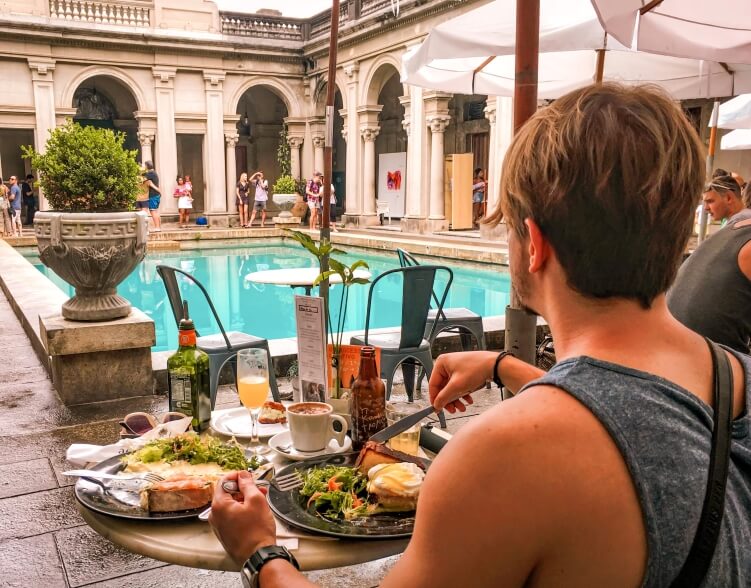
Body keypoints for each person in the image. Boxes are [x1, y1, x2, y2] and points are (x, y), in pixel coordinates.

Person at [209, 83, 751, 587]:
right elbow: (642, 418)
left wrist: (261, 552)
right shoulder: (733, 374)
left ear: (533, 244)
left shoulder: (508, 455)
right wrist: (502, 366)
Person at [668, 175, 751, 353]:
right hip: (708, 362)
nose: (705, 208)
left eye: (710, 201)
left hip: (673, 346)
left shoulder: (731, 231)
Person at [143, 161, 162, 232]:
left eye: (145, 165)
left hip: (153, 195)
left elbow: (142, 179)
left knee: (153, 211)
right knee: (156, 211)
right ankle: (159, 227)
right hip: (156, 194)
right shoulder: (154, 172)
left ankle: (157, 227)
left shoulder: (150, 173)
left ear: (147, 166)